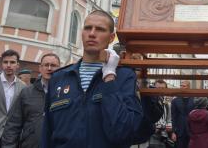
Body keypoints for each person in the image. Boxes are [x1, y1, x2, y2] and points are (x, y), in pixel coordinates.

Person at [41, 10, 143, 148]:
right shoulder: (59, 77)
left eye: (100, 29)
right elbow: (47, 131)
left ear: (111, 37)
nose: (92, 33)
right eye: (88, 28)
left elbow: (122, 131)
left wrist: (109, 76)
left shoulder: (124, 77)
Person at [1, 53, 61, 148]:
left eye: (53, 65)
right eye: (46, 65)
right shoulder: (26, 93)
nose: (49, 68)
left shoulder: (66, 93)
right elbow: (13, 125)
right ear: (40, 68)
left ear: (59, 68)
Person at [171, 81, 195, 148]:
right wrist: (173, 132)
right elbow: (174, 117)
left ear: (188, 87)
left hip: (191, 130)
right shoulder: (175, 101)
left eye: (183, 86)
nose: (181, 87)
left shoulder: (194, 100)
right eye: (180, 85)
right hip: (179, 131)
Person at [150, 79, 173, 148]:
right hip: (150, 136)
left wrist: (169, 127)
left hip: (163, 137)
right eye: (157, 88)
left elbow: (168, 120)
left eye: (162, 88)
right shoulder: (149, 103)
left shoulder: (167, 105)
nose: (159, 91)